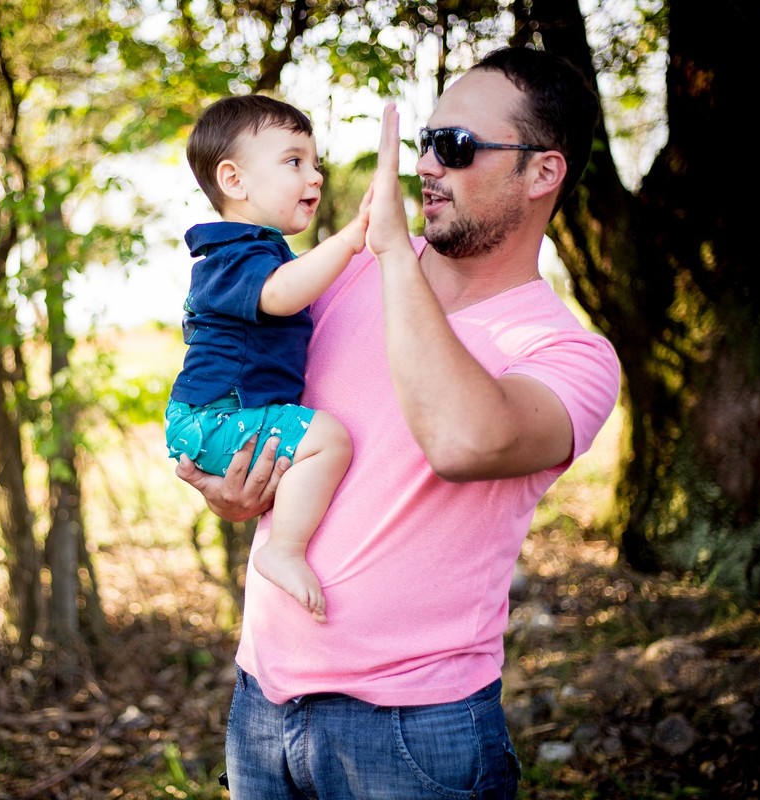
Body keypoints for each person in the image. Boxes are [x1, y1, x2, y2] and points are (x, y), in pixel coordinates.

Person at [176, 47, 620, 798]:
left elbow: (462, 439)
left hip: (411, 732)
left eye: (456, 147)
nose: (427, 167)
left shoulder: (568, 353)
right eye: (425, 141)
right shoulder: (339, 275)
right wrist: (229, 486)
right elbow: (240, 396)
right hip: (262, 703)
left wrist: (390, 253)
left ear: (543, 172)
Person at [166, 95, 371, 623]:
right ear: (233, 181)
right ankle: (283, 550)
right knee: (329, 439)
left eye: (316, 162)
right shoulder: (235, 253)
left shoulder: (259, 249)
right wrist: (350, 240)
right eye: (294, 161)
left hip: (214, 416)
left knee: (316, 441)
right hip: (215, 417)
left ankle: (285, 547)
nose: (316, 175)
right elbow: (280, 295)